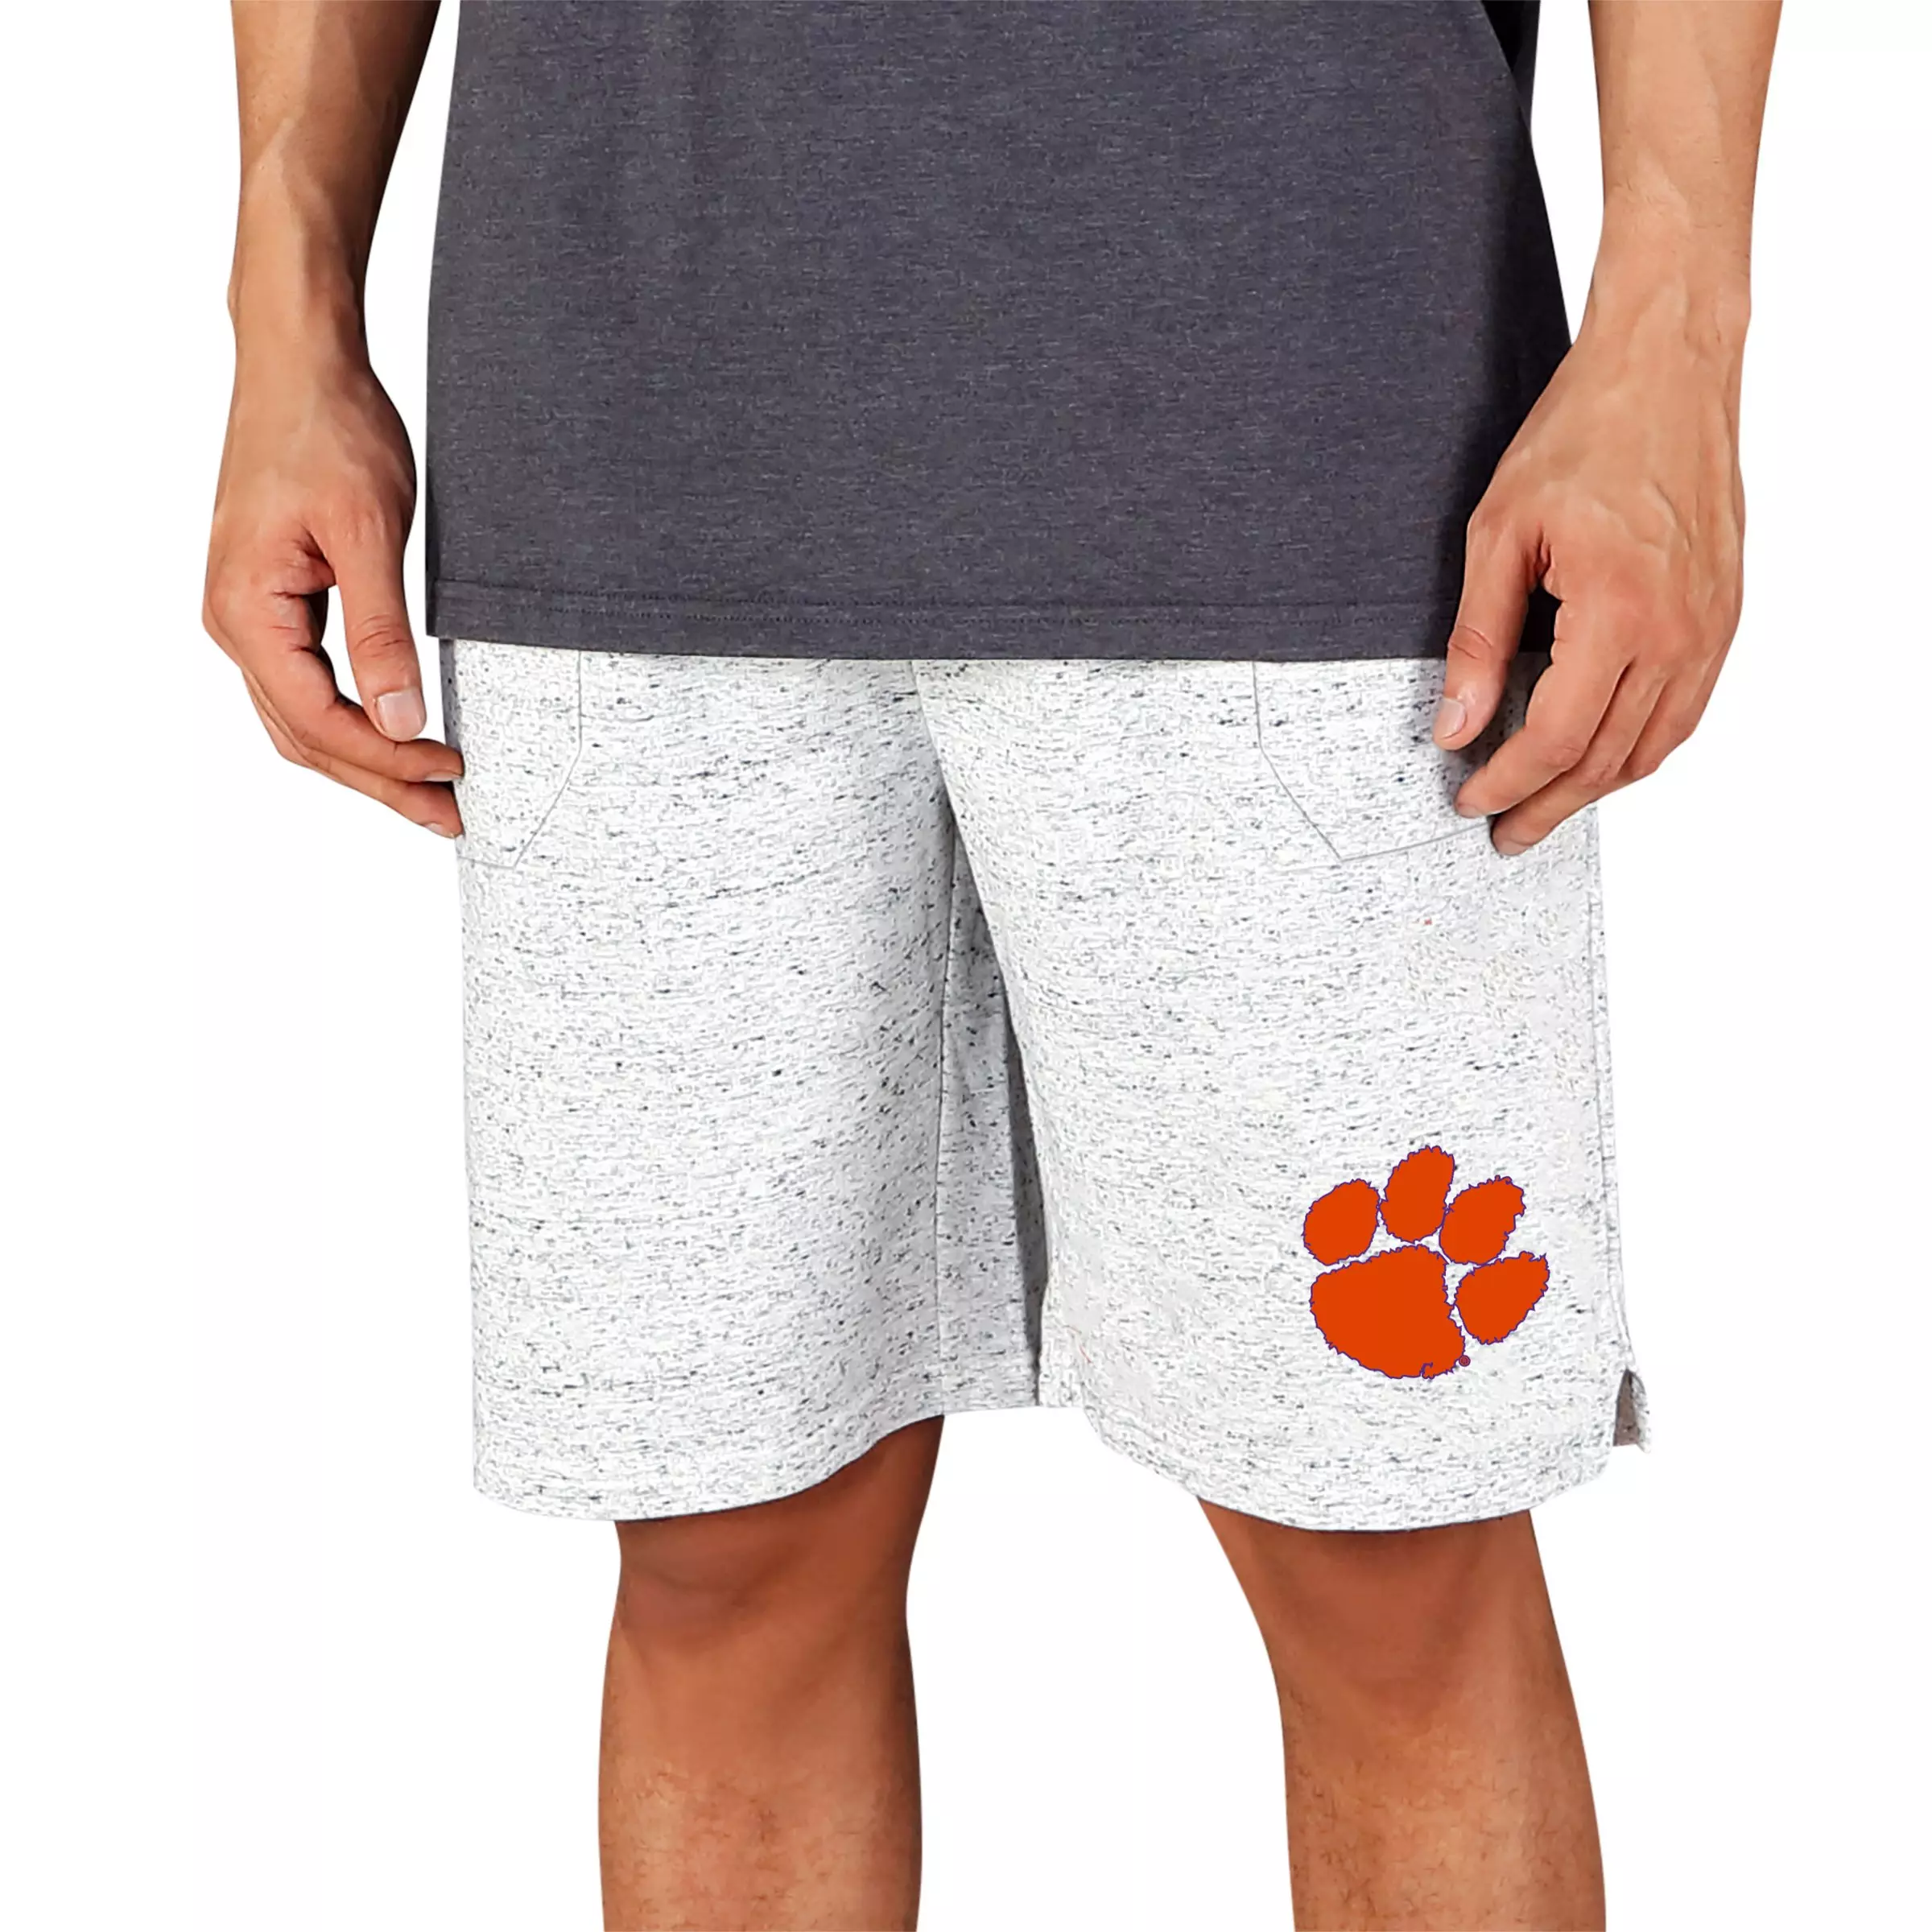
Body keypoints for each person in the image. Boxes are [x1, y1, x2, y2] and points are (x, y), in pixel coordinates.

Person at [202, 2, 1777, 1925]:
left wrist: (1676, 330)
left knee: (1388, 1546)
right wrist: (288, 306)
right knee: (718, 1542)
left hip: (1315, 422)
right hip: (633, 428)